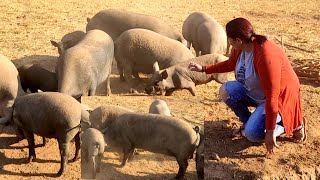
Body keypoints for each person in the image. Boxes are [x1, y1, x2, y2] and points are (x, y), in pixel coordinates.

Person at [188, 17, 306, 154]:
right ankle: (249, 123)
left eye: (230, 40)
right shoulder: (241, 48)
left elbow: (273, 96)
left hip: (278, 99)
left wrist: (270, 132)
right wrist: (203, 69)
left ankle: (290, 124)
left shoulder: (265, 55)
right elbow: (230, 64)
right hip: (258, 92)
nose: (229, 43)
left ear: (238, 40)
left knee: (253, 135)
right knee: (226, 90)